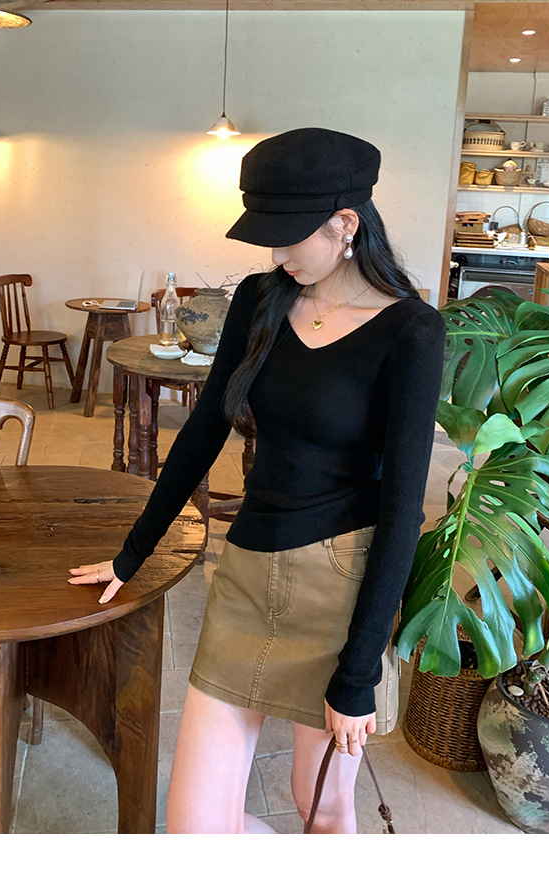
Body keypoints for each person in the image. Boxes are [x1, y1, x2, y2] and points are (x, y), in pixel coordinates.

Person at [69, 127, 446, 834]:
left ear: (345, 224)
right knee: (194, 826)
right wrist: (133, 551)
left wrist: (359, 672)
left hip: (340, 588)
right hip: (246, 571)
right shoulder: (260, 299)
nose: (275, 255)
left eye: (286, 236)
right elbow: (203, 430)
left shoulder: (411, 332)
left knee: (319, 807)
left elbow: (403, 512)